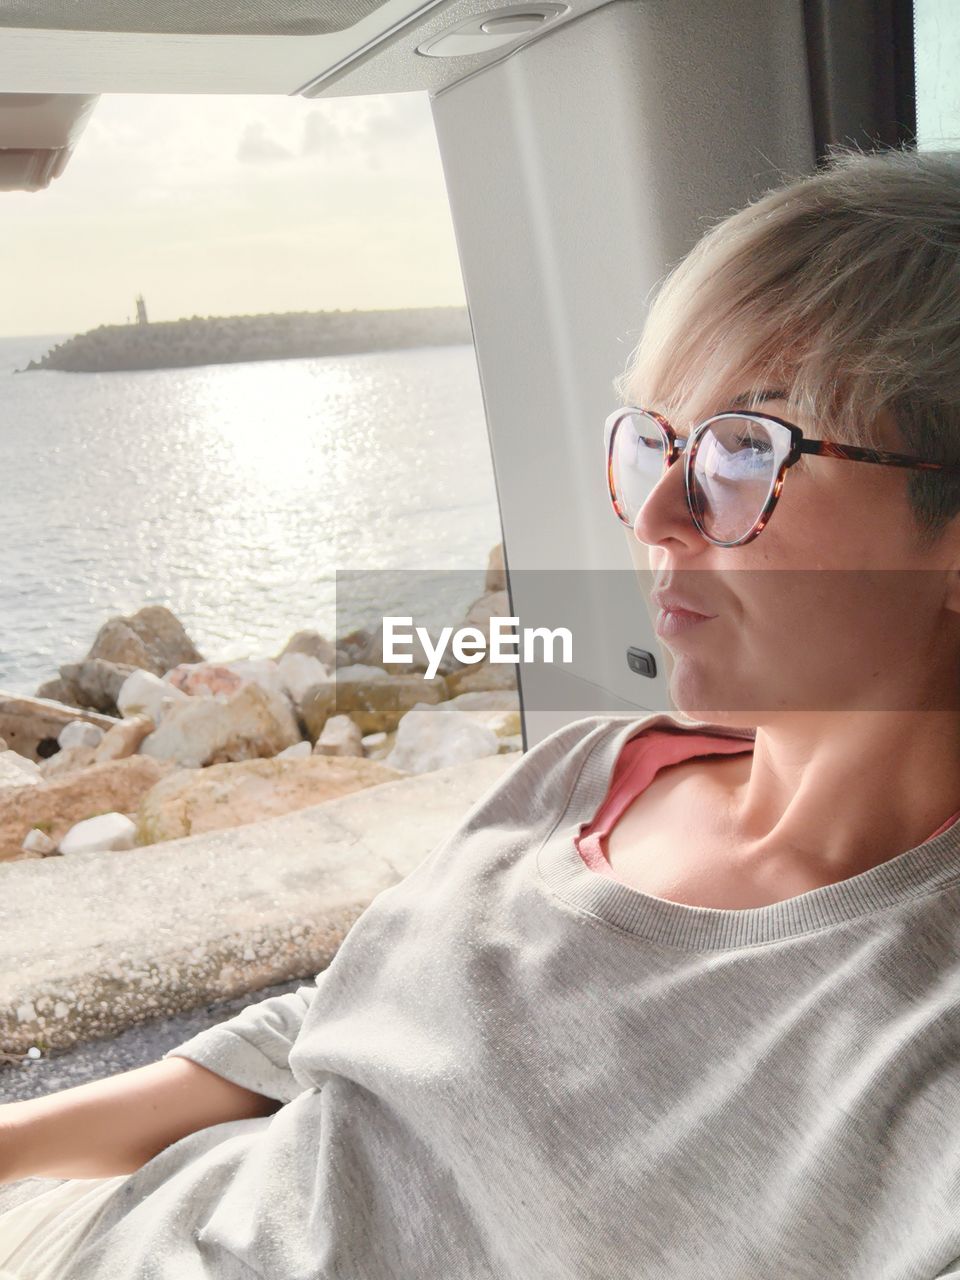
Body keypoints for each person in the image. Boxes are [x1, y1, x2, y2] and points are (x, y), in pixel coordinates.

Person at [4, 141, 960, 1279]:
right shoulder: (586, 770)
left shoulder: (919, 1039)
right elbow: (327, 1032)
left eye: (746, 448)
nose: (655, 511)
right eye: (655, 438)